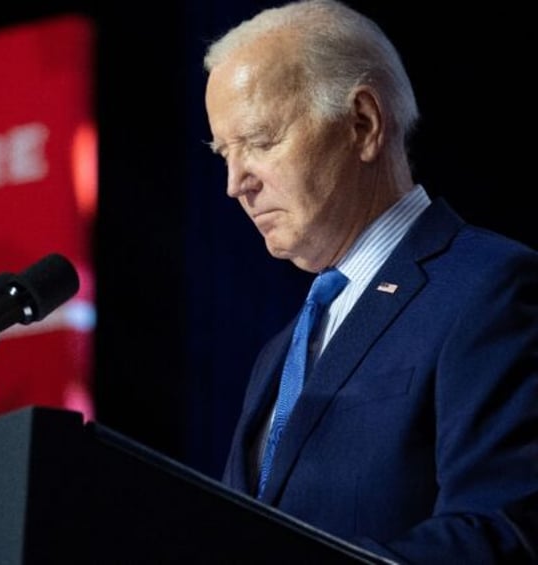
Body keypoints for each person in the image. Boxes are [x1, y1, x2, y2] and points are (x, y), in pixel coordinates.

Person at [203, 0, 537, 562]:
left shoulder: (491, 289)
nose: (236, 183)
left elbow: (501, 534)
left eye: (259, 141)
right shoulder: (277, 354)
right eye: (223, 153)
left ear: (363, 123)